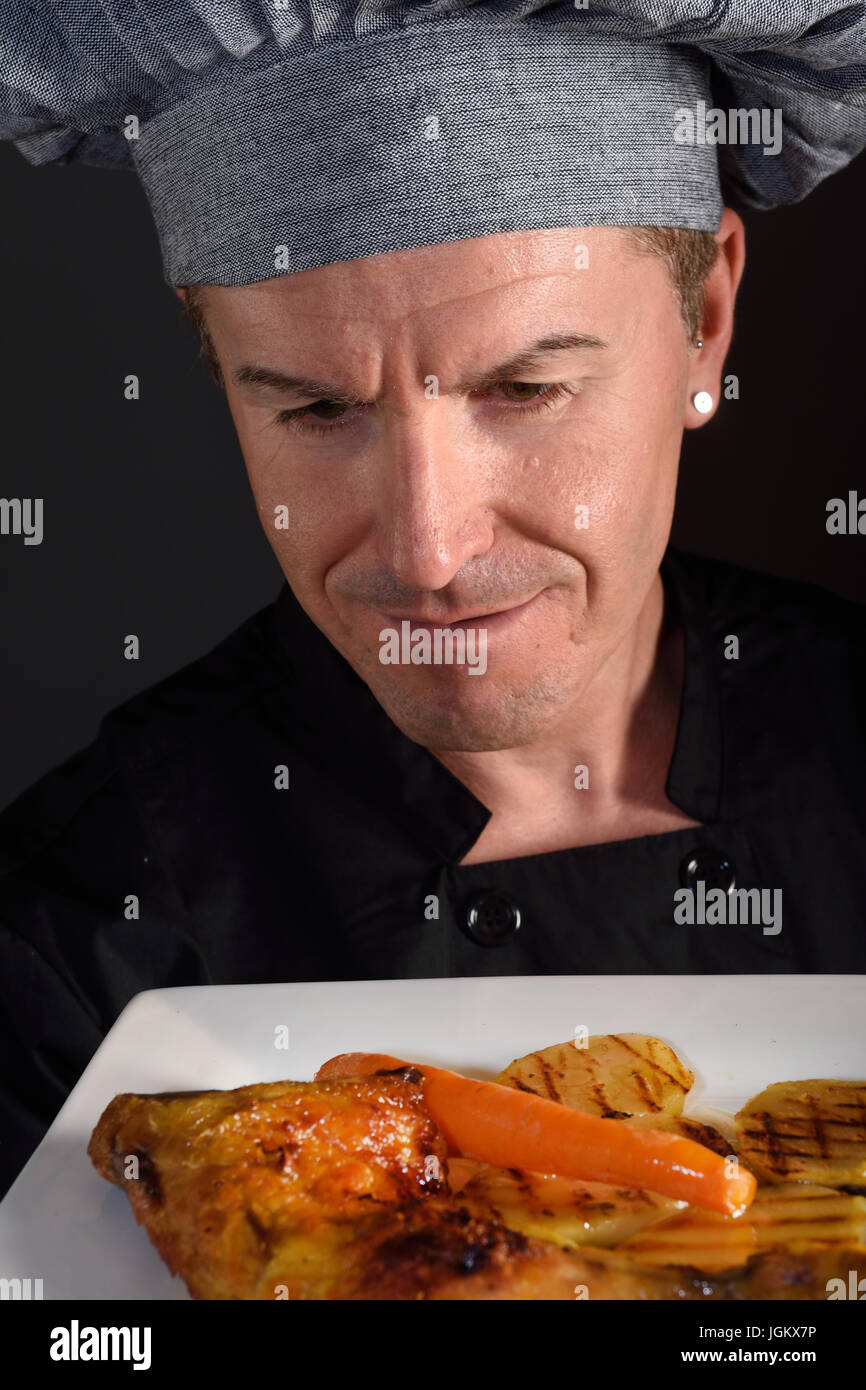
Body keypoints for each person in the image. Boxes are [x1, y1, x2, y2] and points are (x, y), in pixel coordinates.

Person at [1, 2, 865, 1196]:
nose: (427, 549)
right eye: (313, 409)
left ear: (703, 325)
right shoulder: (71, 939)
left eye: (524, 388)